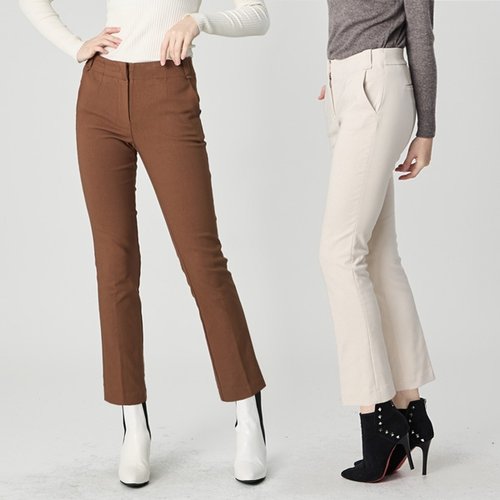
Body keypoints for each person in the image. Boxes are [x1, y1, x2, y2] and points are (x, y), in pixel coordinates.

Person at [19, 0, 269, 488]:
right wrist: (75, 46)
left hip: (167, 87)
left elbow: (258, 14)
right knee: (114, 268)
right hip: (100, 95)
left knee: (203, 262)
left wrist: (199, 21)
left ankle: (249, 418)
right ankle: (133, 427)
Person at [318, 0, 437, 482]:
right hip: (348, 86)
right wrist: (338, 77)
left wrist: (427, 129)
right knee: (379, 258)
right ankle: (409, 406)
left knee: (339, 254)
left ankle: (378, 418)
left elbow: (421, 35)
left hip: (378, 85)